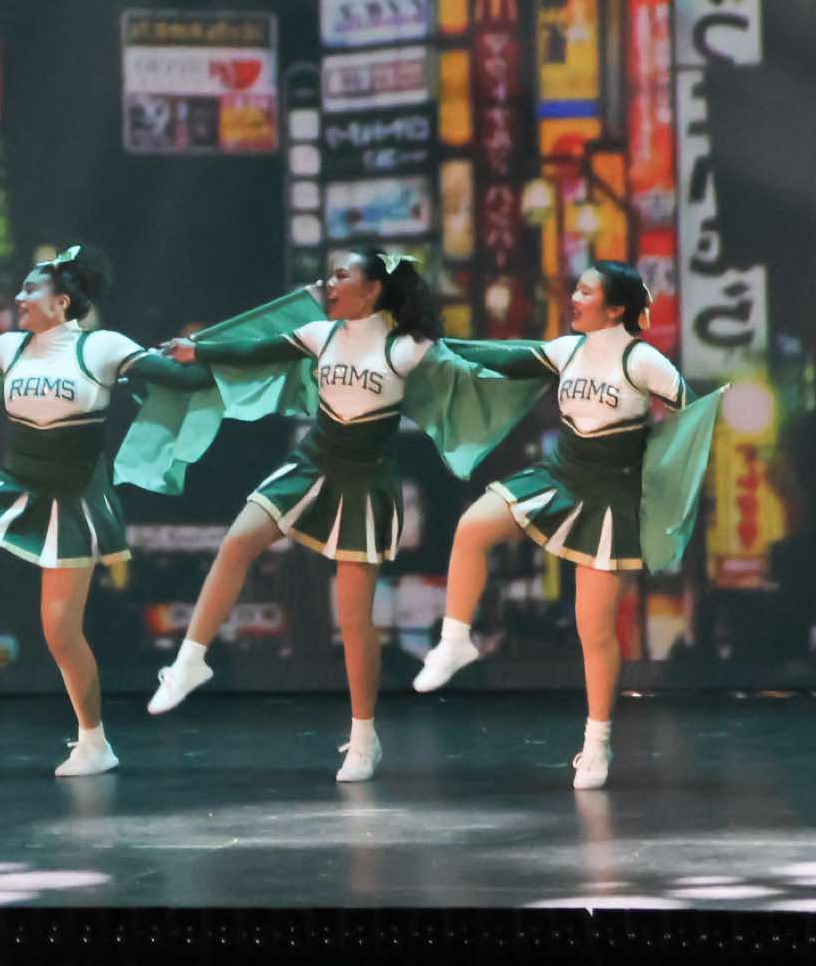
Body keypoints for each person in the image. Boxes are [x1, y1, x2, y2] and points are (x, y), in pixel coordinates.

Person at [0, 245, 202, 776]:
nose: (18, 297)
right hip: (16, 484)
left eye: (30, 289)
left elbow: (182, 380)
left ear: (61, 302)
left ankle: (94, 741)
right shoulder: (9, 347)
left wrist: (201, 355)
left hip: (73, 496)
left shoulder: (102, 347)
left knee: (59, 631)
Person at [147, 246, 445, 783]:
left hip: (364, 479)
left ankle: (364, 737)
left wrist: (550, 361)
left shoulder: (407, 348)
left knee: (353, 621)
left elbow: (475, 364)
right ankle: (190, 661)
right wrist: (199, 349)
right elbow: (252, 350)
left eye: (341, 275)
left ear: (372, 289)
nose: (328, 284)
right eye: (328, 275)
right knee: (237, 542)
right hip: (312, 463)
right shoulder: (318, 335)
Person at [413, 262, 713, 791]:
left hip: (608, 497)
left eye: (586, 291)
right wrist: (435, 347)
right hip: (558, 477)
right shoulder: (565, 350)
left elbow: (692, 421)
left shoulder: (642, 360)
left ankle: (597, 742)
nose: (574, 297)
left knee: (593, 629)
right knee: (472, 527)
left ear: (615, 309)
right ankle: (456, 640)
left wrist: (663, 483)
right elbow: (501, 357)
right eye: (576, 288)